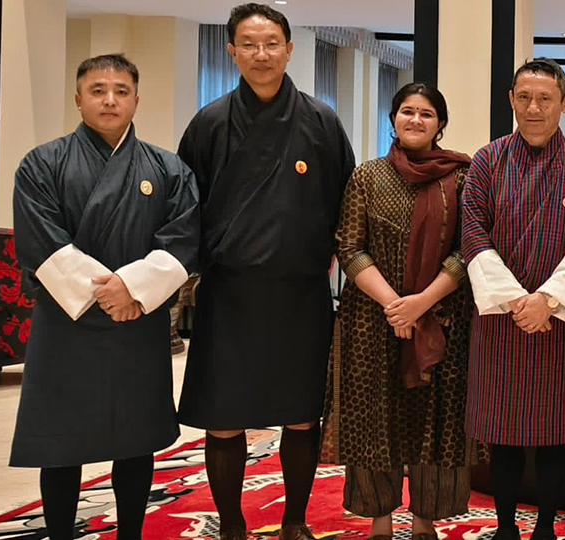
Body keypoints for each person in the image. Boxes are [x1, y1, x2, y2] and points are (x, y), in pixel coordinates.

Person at [175, 4, 356, 540]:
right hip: (229, 294)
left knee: (301, 414)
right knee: (225, 416)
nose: (261, 54)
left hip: (300, 292)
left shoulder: (321, 121)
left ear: (289, 49)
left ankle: (295, 520)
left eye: (271, 43)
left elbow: (346, 204)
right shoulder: (209, 123)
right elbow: (186, 207)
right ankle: (231, 523)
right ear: (231, 50)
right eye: (249, 44)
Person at [11, 53, 199, 540]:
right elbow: (40, 240)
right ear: (78, 99)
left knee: (134, 439)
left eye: (120, 90)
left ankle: (131, 532)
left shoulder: (167, 168)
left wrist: (132, 289)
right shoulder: (42, 164)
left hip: (136, 321)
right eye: (97, 90)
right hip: (65, 322)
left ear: (137, 99)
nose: (110, 99)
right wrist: (111, 292)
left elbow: (184, 238)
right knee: (61, 441)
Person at [324, 83, 483, 540]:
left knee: (434, 419)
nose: (416, 120)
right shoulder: (366, 177)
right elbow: (349, 246)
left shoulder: (462, 178)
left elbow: (466, 250)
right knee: (375, 417)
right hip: (371, 320)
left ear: (441, 124)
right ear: (392, 119)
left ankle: (424, 520)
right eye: (407, 112)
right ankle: (379, 518)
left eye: (427, 113)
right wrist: (395, 305)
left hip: (443, 316)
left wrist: (421, 302)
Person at [460, 59, 565, 540]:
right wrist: (518, 303)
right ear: (511, 100)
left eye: (545, 98)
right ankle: (505, 528)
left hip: (557, 321)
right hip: (501, 320)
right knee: (503, 437)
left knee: (553, 434)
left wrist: (547, 301)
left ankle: (545, 527)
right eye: (524, 97)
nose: (534, 107)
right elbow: (474, 236)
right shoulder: (487, 160)